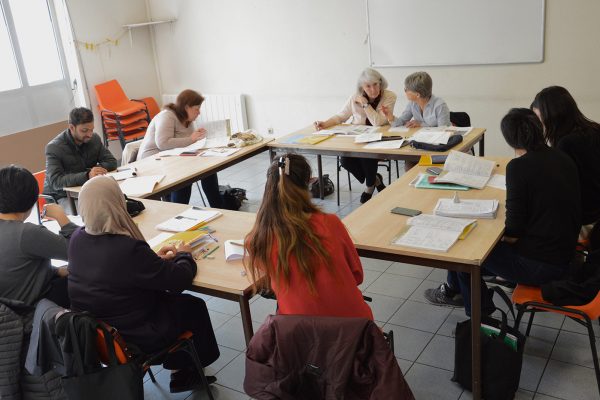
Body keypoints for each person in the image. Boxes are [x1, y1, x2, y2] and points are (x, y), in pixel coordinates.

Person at [67, 176, 219, 393]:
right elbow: (178, 281)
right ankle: (184, 372)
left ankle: (180, 370)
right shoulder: (126, 249)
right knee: (193, 306)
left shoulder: (77, 239)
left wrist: (153, 261)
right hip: (137, 336)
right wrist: (185, 256)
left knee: (177, 305)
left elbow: (118, 273)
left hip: (101, 335)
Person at [424, 108, 581, 316]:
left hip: (542, 266)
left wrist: (487, 233)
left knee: (463, 253)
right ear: (539, 128)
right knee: (473, 242)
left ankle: (480, 319)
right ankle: (457, 291)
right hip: (566, 253)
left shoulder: (519, 167)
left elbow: (514, 232)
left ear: (510, 139)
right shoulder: (561, 156)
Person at [244, 153, 373, 320]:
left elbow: (270, 288)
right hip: (355, 333)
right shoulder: (330, 224)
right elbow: (357, 276)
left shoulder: (258, 238)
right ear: (309, 182)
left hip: (300, 336)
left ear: (268, 188)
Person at [314, 68, 397, 203]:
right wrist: (325, 123)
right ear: (362, 87)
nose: (373, 89)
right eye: (368, 86)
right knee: (345, 160)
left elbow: (378, 122)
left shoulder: (389, 96)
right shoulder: (354, 97)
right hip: (357, 138)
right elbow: (341, 116)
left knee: (367, 156)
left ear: (381, 83)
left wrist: (365, 104)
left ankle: (369, 187)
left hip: (380, 139)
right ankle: (375, 180)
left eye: (375, 84)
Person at [0, 165, 77, 308]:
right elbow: (80, 251)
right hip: (30, 316)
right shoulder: (27, 233)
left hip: (8, 318)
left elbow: (16, 270)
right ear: (31, 199)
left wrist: (53, 271)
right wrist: (62, 217)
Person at [137, 89, 223, 207]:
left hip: (172, 156)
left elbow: (186, 141)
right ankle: (176, 211)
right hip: (152, 160)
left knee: (208, 170)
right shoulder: (167, 116)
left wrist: (197, 137)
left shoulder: (188, 119)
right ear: (187, 107)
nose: (199, 112)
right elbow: (163, 143)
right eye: (196, 109)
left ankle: (219, 206)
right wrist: (191, 139)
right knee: (185, 177)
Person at [531, 86, 600, 230]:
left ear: (551, 115)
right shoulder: (595, 128)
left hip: (586, 216)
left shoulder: (566, 143)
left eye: (539, 118)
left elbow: (560, 191)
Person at [44, 107, 117, 214]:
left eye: (92, 129)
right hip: (61, 197)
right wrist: (87, 175)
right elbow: (56, 181)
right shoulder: (54, 148)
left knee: (116, 203)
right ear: (72, 127)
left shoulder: (94, 139)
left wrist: (96, 171)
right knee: (93, 213)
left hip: (87, 190)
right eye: (84, 130)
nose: (89, 134)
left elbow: (111, 161)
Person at [382, 71, 450, 128]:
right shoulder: (412, 103)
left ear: (417, 94)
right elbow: (401, 122)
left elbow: (444, 130)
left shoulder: (440, 106)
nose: (405, 91)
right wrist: (390, 117)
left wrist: (421, 124)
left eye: (407, 89)